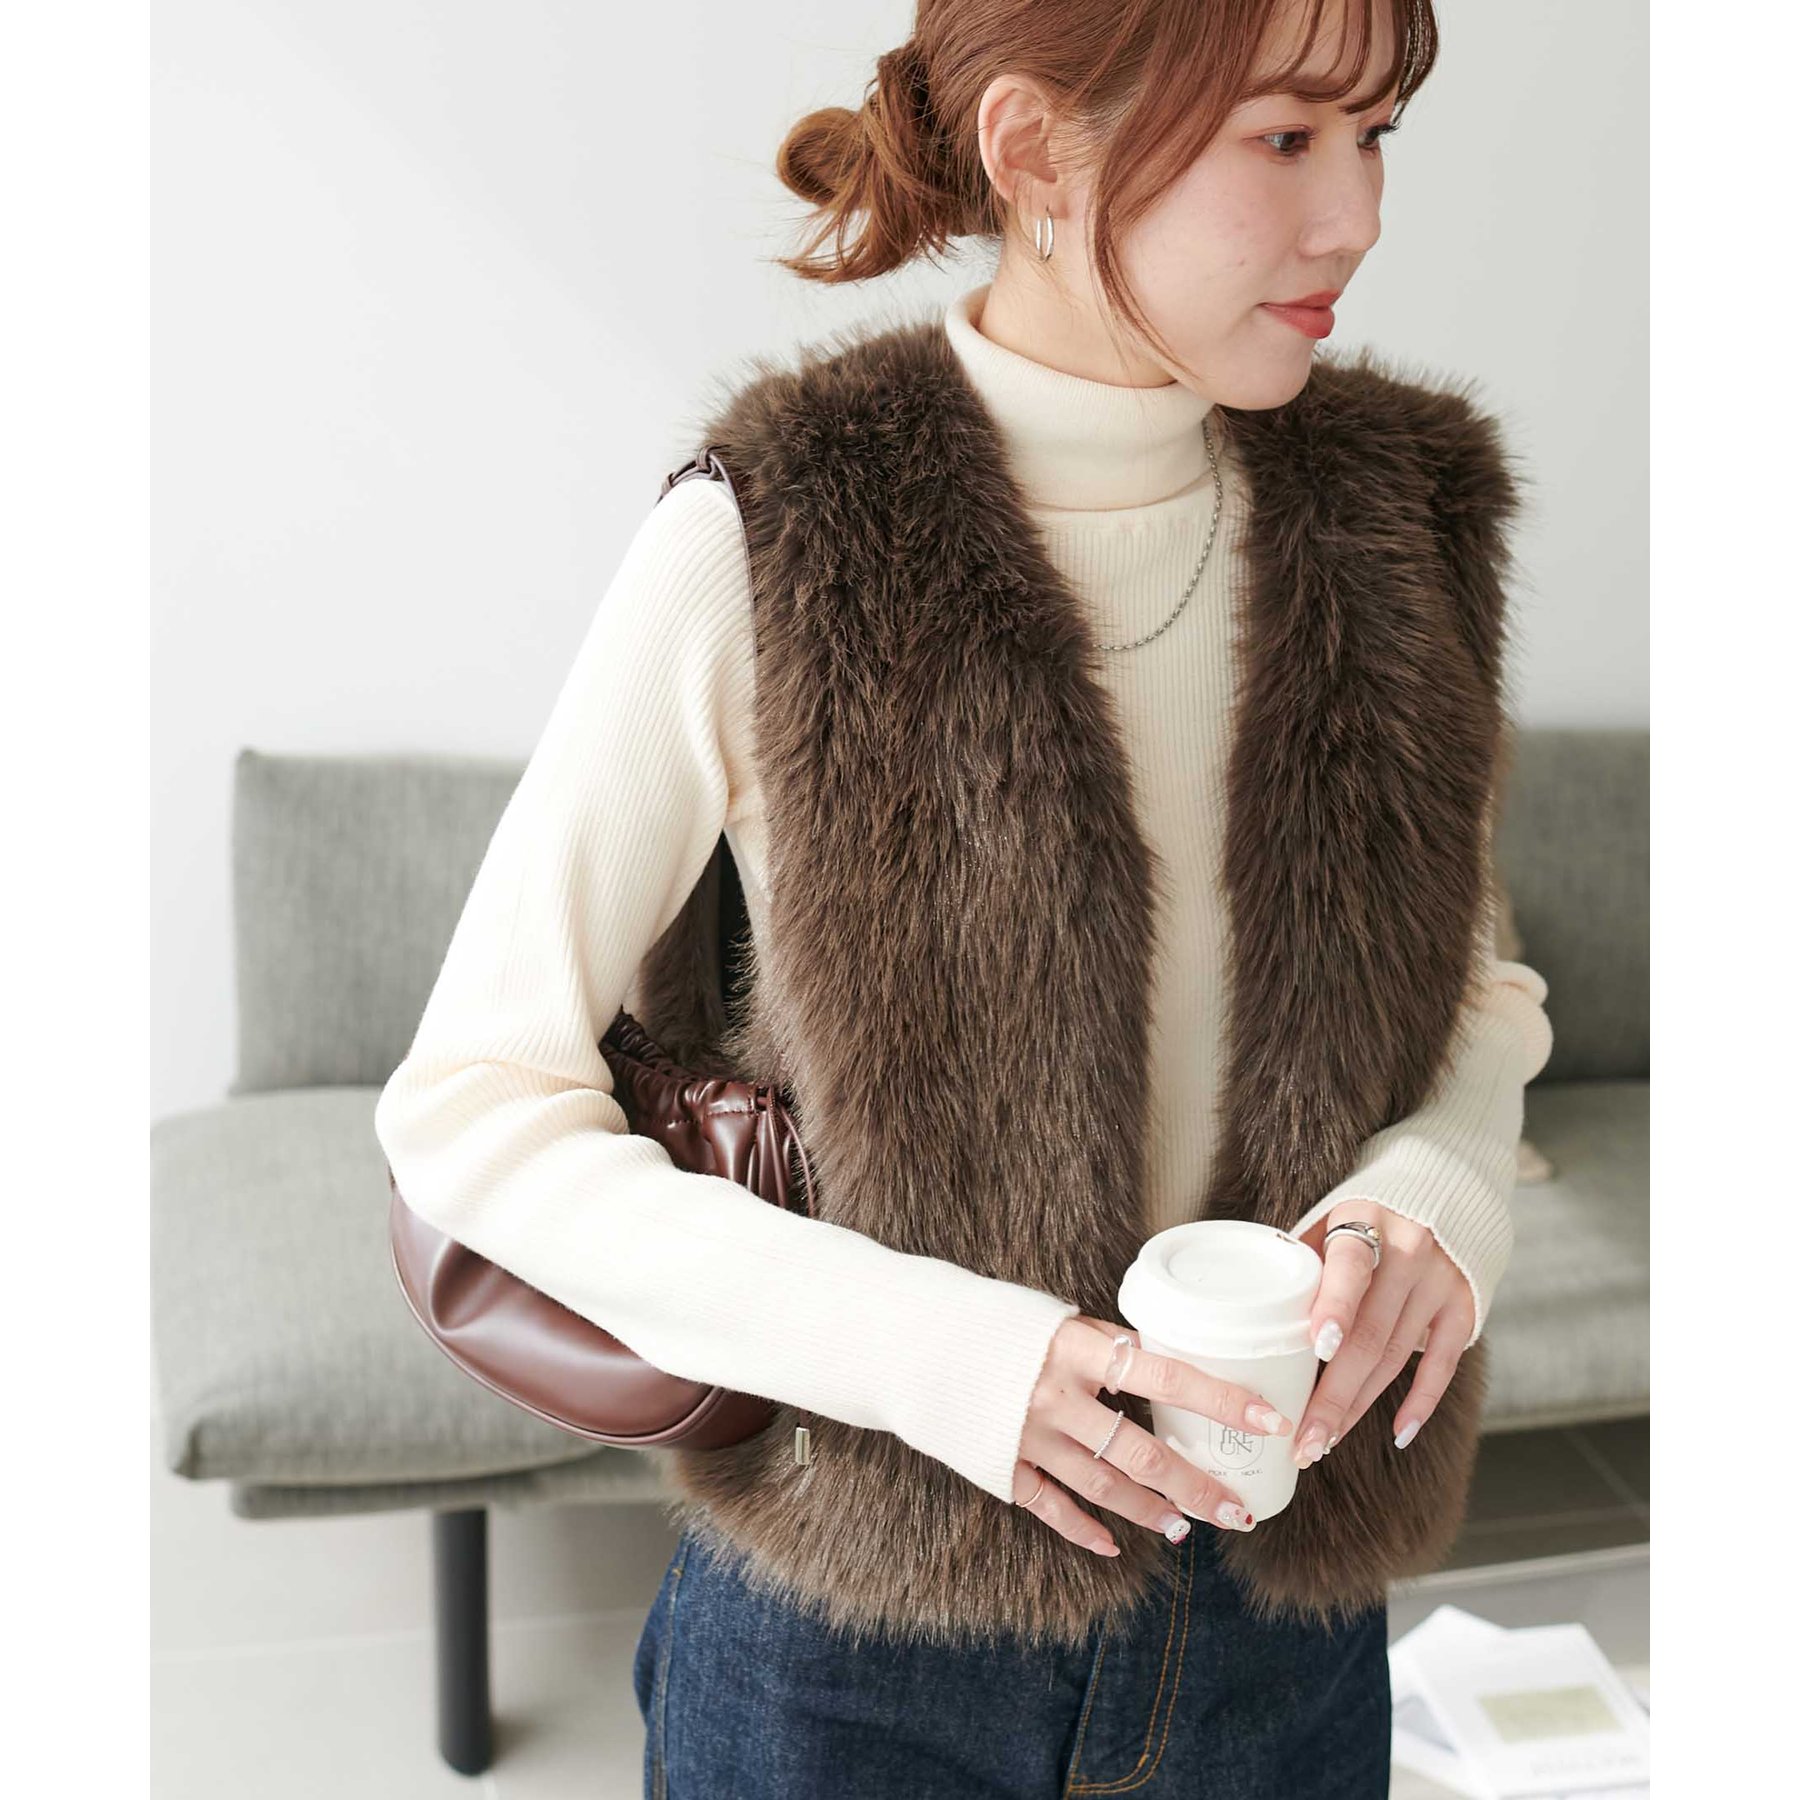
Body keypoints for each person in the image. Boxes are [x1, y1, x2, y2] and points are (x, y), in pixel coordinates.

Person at [375, 0, 1555, 1792]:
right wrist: (949, 1358)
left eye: (1376, 134)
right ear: (1033, 148)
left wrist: (1436, 1197)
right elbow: (471, 1106)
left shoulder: (1409, 514)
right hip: (858, 1653)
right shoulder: (779, 534)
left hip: (1283, 1629)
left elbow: (1472, 992)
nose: (1358, 217)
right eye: (1287, 138)